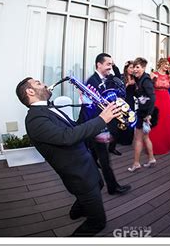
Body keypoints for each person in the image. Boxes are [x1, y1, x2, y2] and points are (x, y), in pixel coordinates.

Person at [16, 77, 122, 236]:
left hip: (85, 164)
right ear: (30, 91)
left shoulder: (46, 109)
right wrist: (103, 119)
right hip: (77, 174)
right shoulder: (35, 119)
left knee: (99, 184)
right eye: (38, 83)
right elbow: (67, 137)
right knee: (98, 223)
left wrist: (87, 104)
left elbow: (76, 126)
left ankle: (76, 212)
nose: (44, 83)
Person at [78, 53, 131, 196]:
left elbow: (116, 94)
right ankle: (112, 187)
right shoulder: (91, 83)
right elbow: (90, 108)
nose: (111, 67)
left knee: (94, 156)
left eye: (112, 65)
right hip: (94, 124)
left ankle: (93, 177)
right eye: (108, 64)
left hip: (102, 123)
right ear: (98, 65)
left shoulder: (108, 79)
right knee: (104, 159)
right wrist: (102, 128)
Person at [128, 57, 157, 172]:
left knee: (138, 139)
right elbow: (140, 95)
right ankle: (151, 159)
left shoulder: (145, 80)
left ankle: (136, 163)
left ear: (144, 68)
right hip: (143, 111)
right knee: (145, 137)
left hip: (145, 113)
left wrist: (149, 115)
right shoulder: (139, 79)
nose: (135, 69)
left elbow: (153, 97)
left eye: (138, 67)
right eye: (134, 67)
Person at [148, 58, 170, 155]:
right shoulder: (153, 74)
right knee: (156, 120)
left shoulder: (168, 76)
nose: (167, 66)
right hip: (156, 99)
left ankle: (165, 143)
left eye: (168, 65)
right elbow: (148, 87)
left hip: (166, 99)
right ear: (160, 64)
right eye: (165, 64)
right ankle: (155, 145)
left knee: (165, 121)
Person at [116, 60, 135, 146]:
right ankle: (121, 139)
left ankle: (129, 139)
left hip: (130, 100)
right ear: (126, 68)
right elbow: (119, 90)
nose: (132, 69)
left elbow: (136, 92)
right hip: (122, 101)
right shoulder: (121, 76)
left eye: (133, 68)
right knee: (122, 119)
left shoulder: (135, 78)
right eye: (131, 67)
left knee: (131, 118)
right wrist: (128, 83)